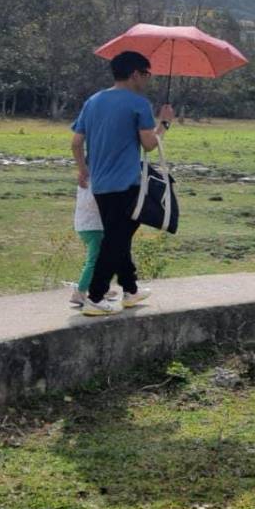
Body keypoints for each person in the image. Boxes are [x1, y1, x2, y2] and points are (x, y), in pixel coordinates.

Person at [70, 50, 175, 317]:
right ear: (134, 74)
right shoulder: (138, 103)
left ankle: (130, 290)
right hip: (126, 184)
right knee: (116, 240)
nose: (147, 80)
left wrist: (83, 170)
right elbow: (149, 145)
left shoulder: (93, 101)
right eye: (146, 74)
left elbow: (76, 142)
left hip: (100, 183)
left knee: (119, 236)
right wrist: (164, 122)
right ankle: (94, 297)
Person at [68, 183, 103, 308]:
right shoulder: (93, 180)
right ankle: (80, 292)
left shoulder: (86, 178)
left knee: (94, 259)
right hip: (93, 225)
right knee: (94, 261)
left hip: (86, 224)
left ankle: (96, 288)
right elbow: (91, 202)